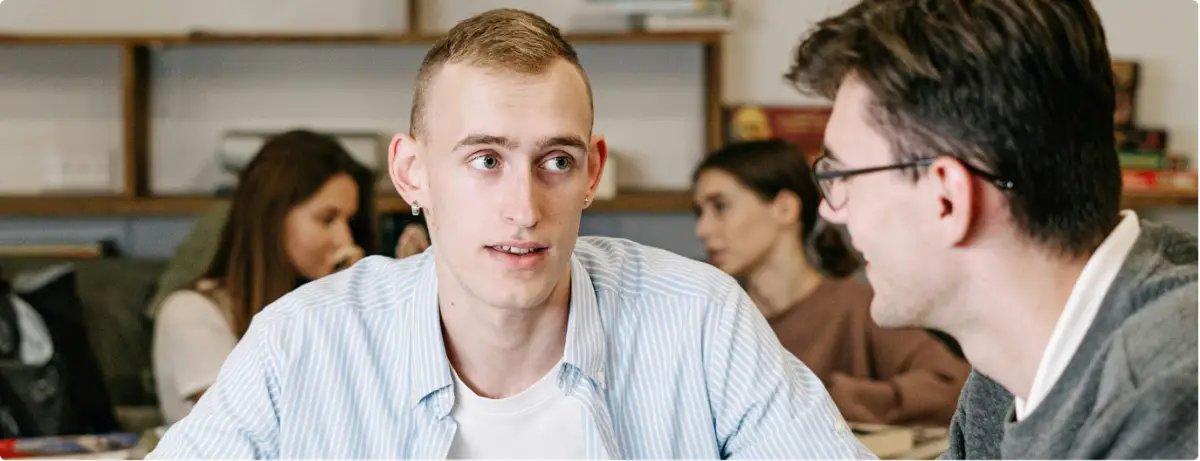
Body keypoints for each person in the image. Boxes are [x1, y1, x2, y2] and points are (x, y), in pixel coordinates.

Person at [147, 8, 872, 460]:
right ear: (411, 173)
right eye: (485, 160)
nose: (524, 209)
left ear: (592, 172)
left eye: (555, 161)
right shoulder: (301, 342)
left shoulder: (701, 320)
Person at [786, 0, 1198, 459]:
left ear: (947, 199)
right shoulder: (1004, 371)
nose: (830, 210)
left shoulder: (1169, 395)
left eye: (843, 176)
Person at [692, 139, 970, 427]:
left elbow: (953, 386)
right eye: (700, 213)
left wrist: (829, 400)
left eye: (720, 207)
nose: (702, 229)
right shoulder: (713, 323)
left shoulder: (860, 308)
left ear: (785, 208)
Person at [151, 129, 382, 425]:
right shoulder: (190, 312)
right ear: (274, 218)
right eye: (327, 219)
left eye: (349, 222)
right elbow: (259, 429)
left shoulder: (315, 307)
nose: (345, 239)